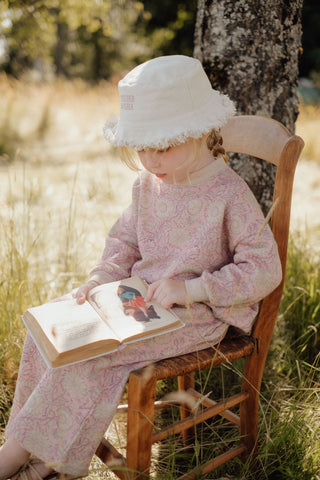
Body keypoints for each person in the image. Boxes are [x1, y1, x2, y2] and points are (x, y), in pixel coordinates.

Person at [0, 55, 282, 480]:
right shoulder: (147, 185)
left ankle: (31, 462)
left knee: (90, 357)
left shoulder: (229, 194)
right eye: (141, 148)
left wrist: (192, 290)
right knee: (49, 333)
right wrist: (99, 279)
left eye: (163, 147)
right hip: (136, 301)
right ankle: (36, 454)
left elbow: (264, 269)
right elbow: (124, 241)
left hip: (197, 315)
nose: (151, 161)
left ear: (198, 132)